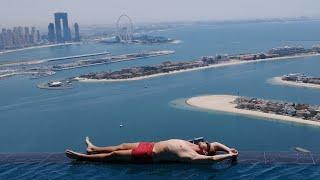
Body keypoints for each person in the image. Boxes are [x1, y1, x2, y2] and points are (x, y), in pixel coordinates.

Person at [65, 137, 238, 164]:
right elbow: (215, 144)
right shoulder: (199, 146)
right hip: (150, 144)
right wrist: (228, 148)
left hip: (148, 155)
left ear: (204, 152)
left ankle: (82, 157)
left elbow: (211, 159)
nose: (204, 142)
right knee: (122, 145)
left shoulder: (192, 154)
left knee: (115, 155)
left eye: (205, 145)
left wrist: (228, 156)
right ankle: (93, 148)